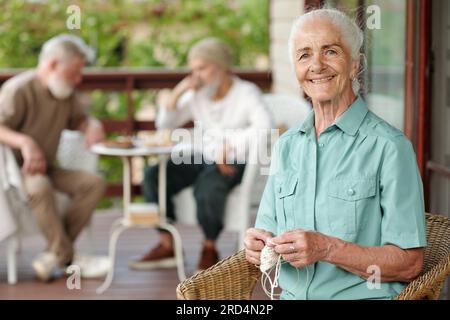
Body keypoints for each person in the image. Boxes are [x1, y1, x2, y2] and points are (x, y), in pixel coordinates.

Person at [244, 8, 427, 300]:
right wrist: (257, 244)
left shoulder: (389, 147)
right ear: (295, 69)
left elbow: (410, 263)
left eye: (330, 51)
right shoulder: (287, 145)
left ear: (355, 64)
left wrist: (327, 248)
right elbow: (269, 229)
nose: (316, 65)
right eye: (304, 55)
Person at [130, 38, 273, 271]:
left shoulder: (246, 93)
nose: (196, 75)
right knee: (154, 175)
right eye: (193, 69)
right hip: (202, 156)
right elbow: (164, 124)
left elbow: (266, 126)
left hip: (235, 159)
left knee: (207, 186)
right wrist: (178, 92)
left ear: (221, 67)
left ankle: (209, 246)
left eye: (202, 68)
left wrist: (231, 145)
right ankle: (167, 244)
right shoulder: (198, 92)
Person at [0, 34, 106, 281]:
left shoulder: (65, 93)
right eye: (74, 72)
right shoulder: (19, 89)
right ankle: (69, 256)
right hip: (16, 171)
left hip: (48, 166)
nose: (79, 79)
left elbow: (79, 120)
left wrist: (90, 124)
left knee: (94, 183)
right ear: (52, 65)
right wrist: (25, 142)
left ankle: (55, 253)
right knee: (40, 186)